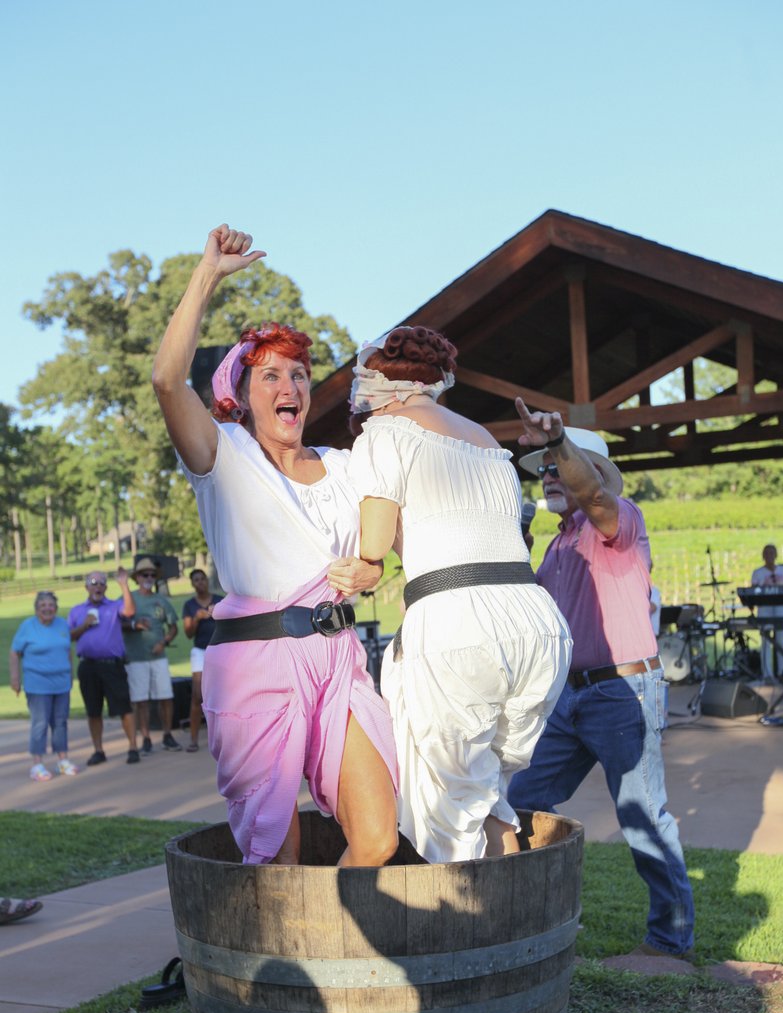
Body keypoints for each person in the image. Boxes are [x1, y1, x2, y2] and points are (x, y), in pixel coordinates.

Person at [150, 223, 398, 867]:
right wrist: (206, 275)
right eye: (270, 376)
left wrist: (372, 567)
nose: (289, 387)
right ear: (241, 392)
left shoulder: (347, 467)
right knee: (276, 857)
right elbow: (166, 382)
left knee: (376, 836)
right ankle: (290, 966)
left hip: (338, 658)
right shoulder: (221, 455)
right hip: (256, 661)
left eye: (299, 374)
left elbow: (382, 543)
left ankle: (333, 955)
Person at [348, 327, 572, 863]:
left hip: (457, 624)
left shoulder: (384, 432)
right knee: (486, 790)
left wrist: (357, 563)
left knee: (447, 807)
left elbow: (374, 544)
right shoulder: (485, 441)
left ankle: (465, 937)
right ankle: (514, 929)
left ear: (383, 382)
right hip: (533, 623)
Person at [507, 406, 695, 959]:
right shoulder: (559, 542)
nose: (546, 474)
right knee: (521, 803)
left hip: (622, 691)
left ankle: (669, 941)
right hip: (570, 695)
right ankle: (544, 920)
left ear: (586, 470)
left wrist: (561, 442)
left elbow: (593, 498)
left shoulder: (617, 521)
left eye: (556, 464)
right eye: (541, 467)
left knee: (642, 815)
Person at [68, 569, 140, 766]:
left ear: (106, 587)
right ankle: (98, 750)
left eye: (101, 583)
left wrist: (124, 584)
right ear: (86, 587)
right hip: (88, 667)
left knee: (124, 706)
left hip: (112, 666)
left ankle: (133, 747)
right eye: (93, 582)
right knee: (93, 710)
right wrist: (84, 625)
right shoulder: (77, 611)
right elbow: (69, 637)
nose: (97, 586)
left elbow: (130, 611)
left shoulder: (114, 606)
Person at [9, 591, 77, 780]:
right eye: (43, 605)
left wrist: (71, 674)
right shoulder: (27, 627)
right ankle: (37, 764)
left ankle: (62, 760)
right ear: (36, 609)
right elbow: (15, 652)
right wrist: (15, 678)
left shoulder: (62, 624)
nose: (47, 609)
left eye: (51, 605)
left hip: (61, 683)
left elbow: (67, 651)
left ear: (55, 607)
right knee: (40, 724)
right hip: (37, 684)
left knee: (60, 722)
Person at [122, 557, 182, 754]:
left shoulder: (161, 600)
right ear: (136, 578)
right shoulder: (127, 598)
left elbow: (173, 627)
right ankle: (146, 737)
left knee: (165, 697)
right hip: (135, 657)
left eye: (151, 575)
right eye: (144, 574)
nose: (148, 578)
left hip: (158, 657)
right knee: (140, 701)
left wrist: (163, 642)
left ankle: (167, 735)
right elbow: (117, 624)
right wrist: (134, 625)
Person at [182, 568, 223, 752]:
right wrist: (196, 619)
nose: (200, 582)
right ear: (192, 584)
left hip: (220, 648)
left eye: (202, 579)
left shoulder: (219, 600)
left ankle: (223, 738)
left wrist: (218, 614)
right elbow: (188, 633)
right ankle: (193, 739)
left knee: (224, 693)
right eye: (196, 580)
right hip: (200, 651)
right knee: (197, 694)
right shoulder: (189, 605)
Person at [750, 544, 783, 681]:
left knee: (782, 641)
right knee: (766, 640)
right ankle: (767, 674)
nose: (769, 556)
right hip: (765, 608)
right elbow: (753, 591)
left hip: (781, 607)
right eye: (767, 553)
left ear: (776, 555)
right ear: (763, 556)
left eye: (772, 553)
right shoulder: (758, 573)